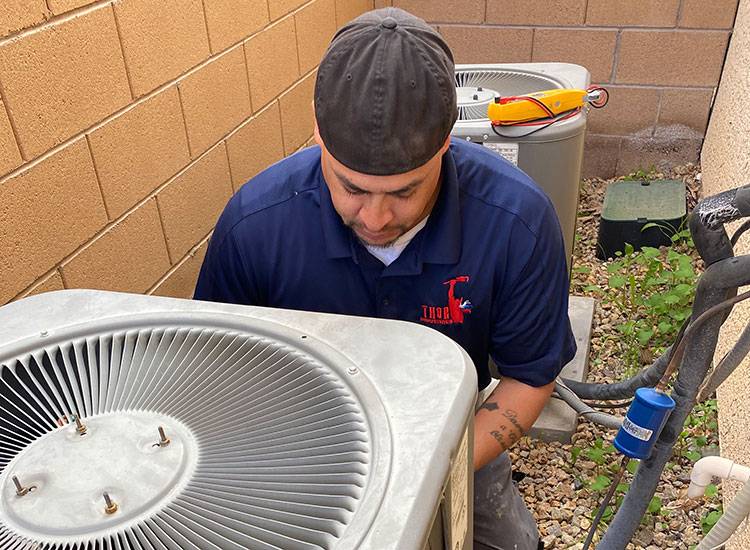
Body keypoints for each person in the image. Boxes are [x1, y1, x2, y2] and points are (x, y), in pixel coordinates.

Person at [194, 7, 576, 550]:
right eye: (350, 187)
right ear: (318, 132)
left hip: (450, 436)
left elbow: (530, 377)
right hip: (300, 442)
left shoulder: (517, 222)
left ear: (448, 141)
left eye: (403, 192)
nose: (374, 219)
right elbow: (216, 376)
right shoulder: (254, 224)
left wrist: (423, 471)